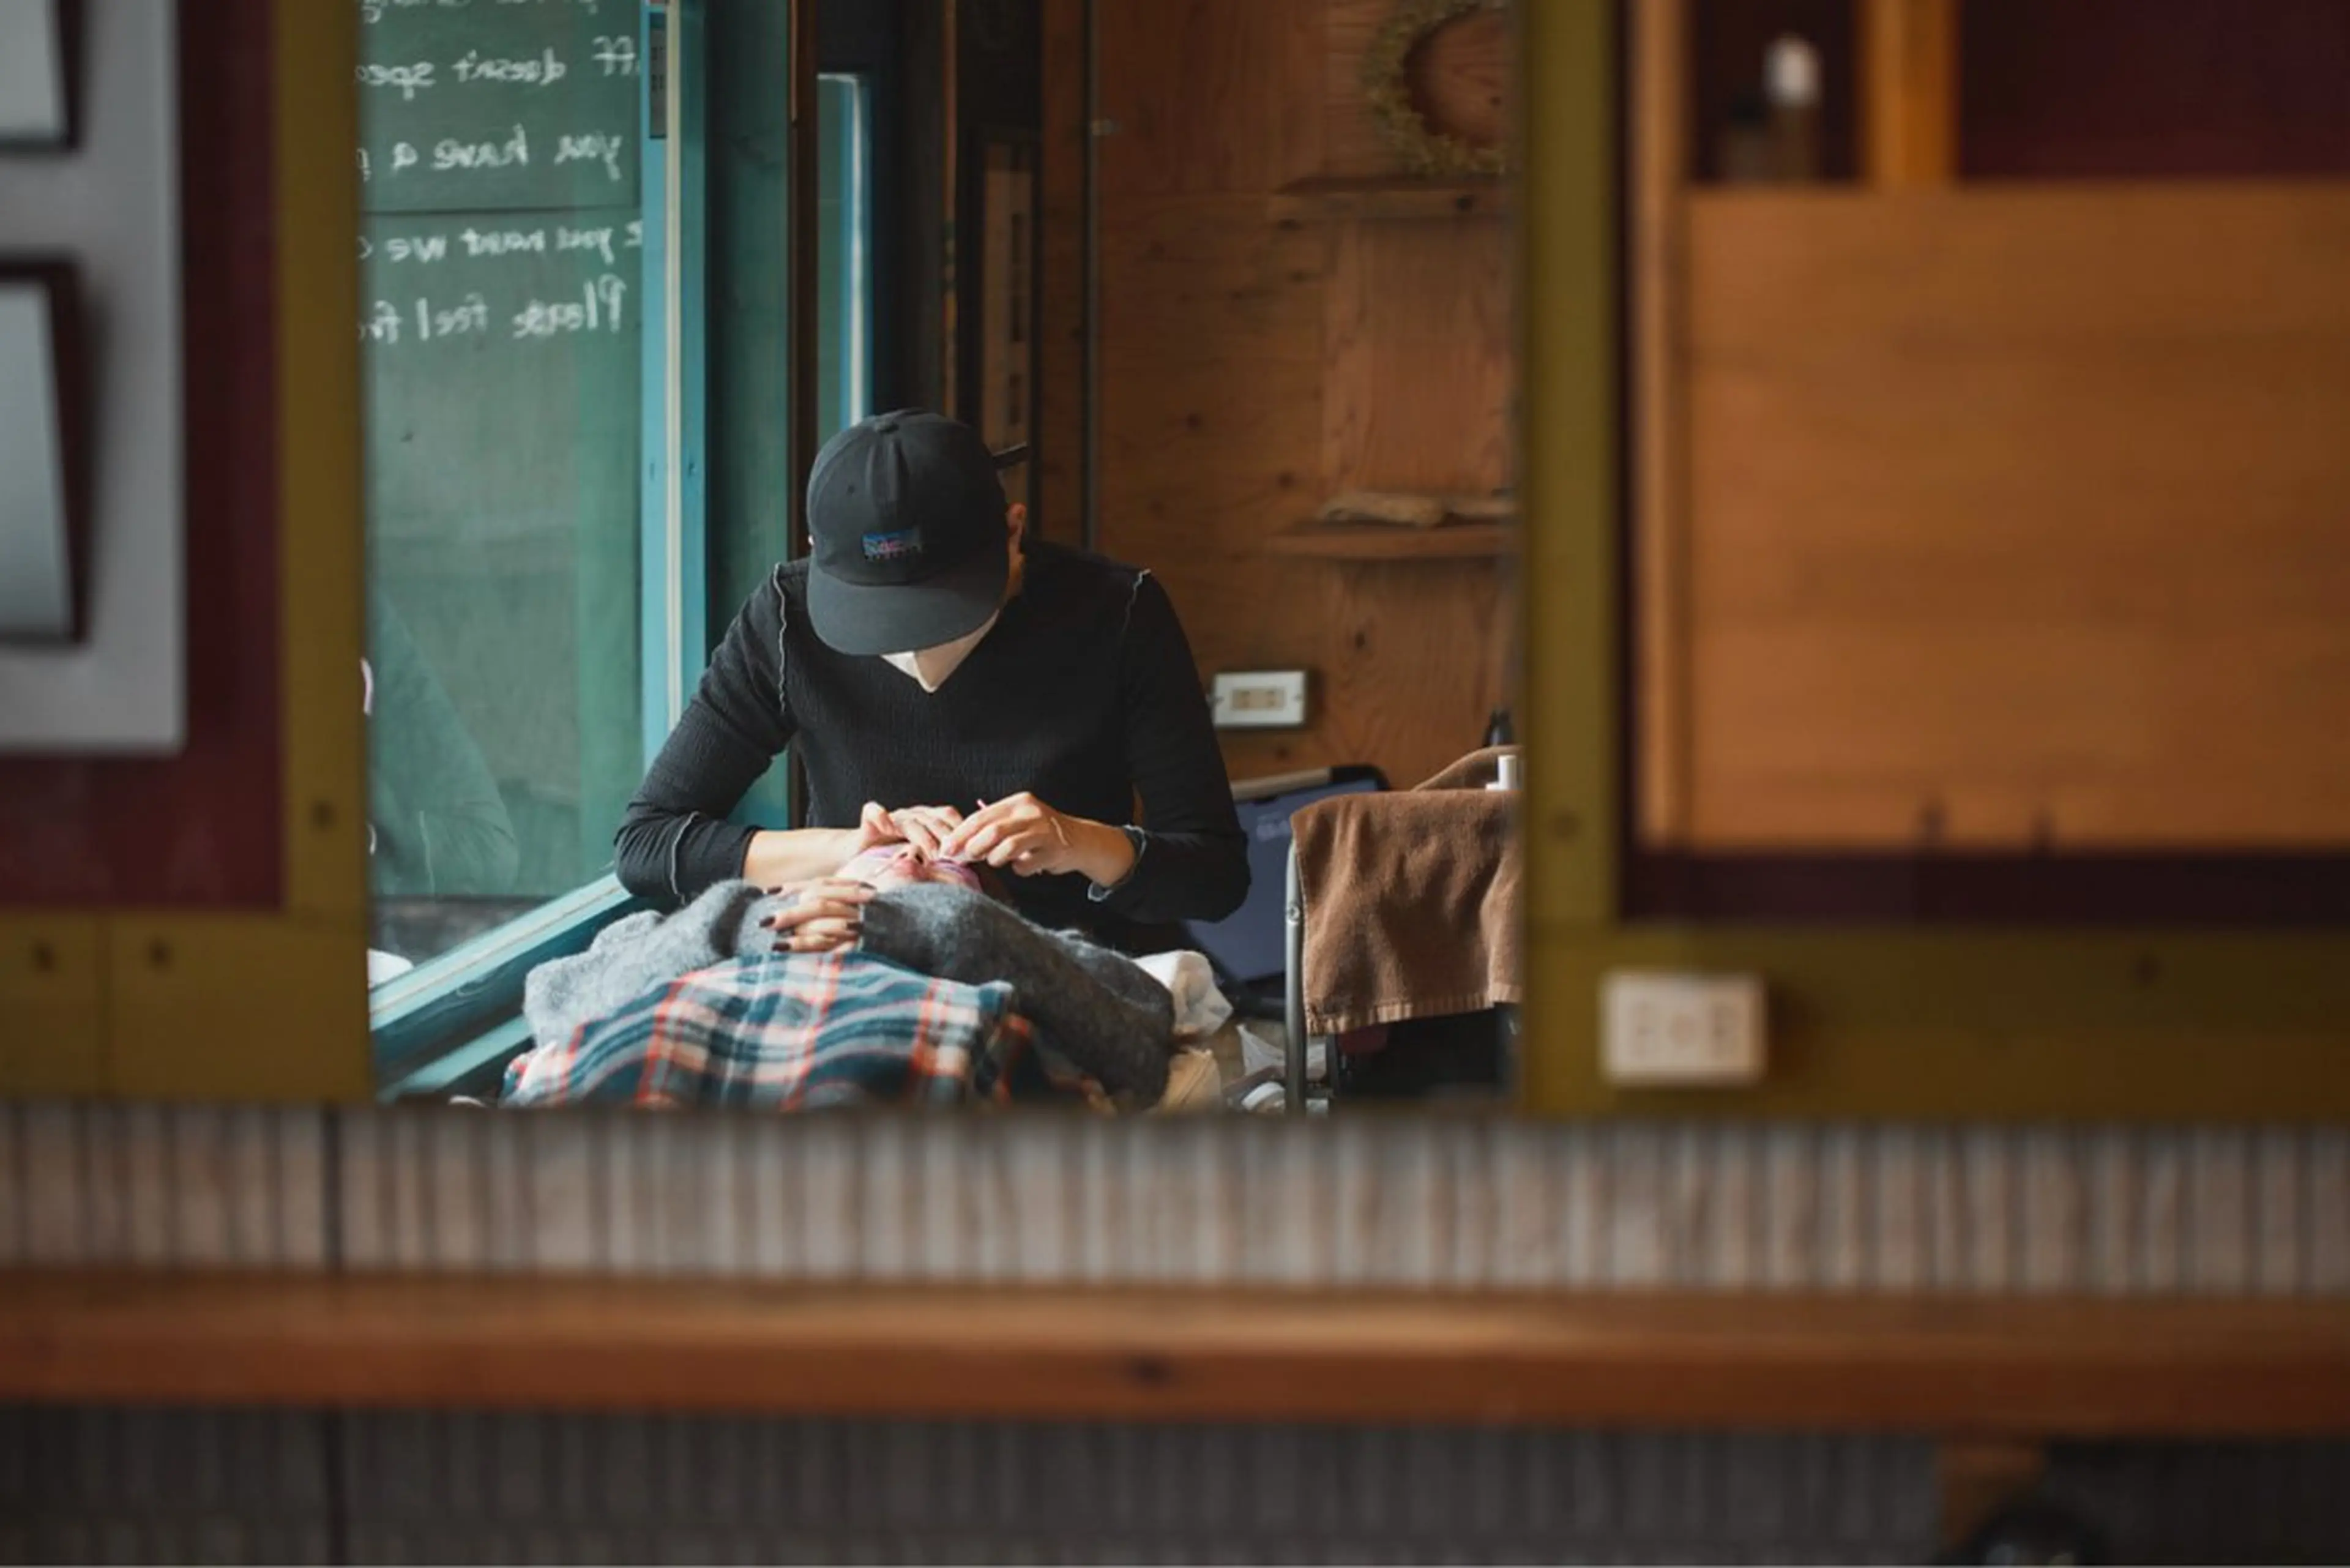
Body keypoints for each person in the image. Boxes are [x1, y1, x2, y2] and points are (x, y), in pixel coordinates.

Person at [615, 409, 1248, 954]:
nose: (913, 640)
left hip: (1079, 968)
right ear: (819, 552)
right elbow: (647, 844)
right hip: (867, 961)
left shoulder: (1118, 614)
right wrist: (849, 850)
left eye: (944, 604)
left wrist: (1082, 842)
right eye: (877, 613)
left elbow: (1217, 877)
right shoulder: (788, 619)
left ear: (1012, 531)